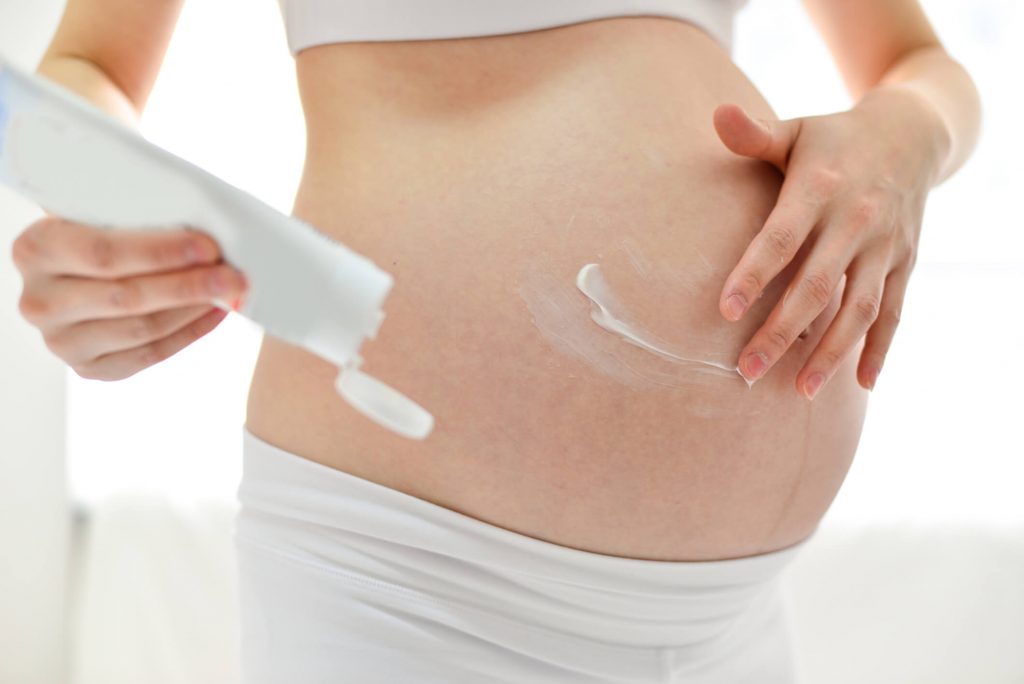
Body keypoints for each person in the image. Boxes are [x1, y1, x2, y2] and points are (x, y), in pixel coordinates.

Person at [10, 0, 980, 681]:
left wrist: (904, 135)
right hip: (406, 579)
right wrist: (101, 203)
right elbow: (83, 74)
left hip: (733, 618)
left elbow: (916, 64)